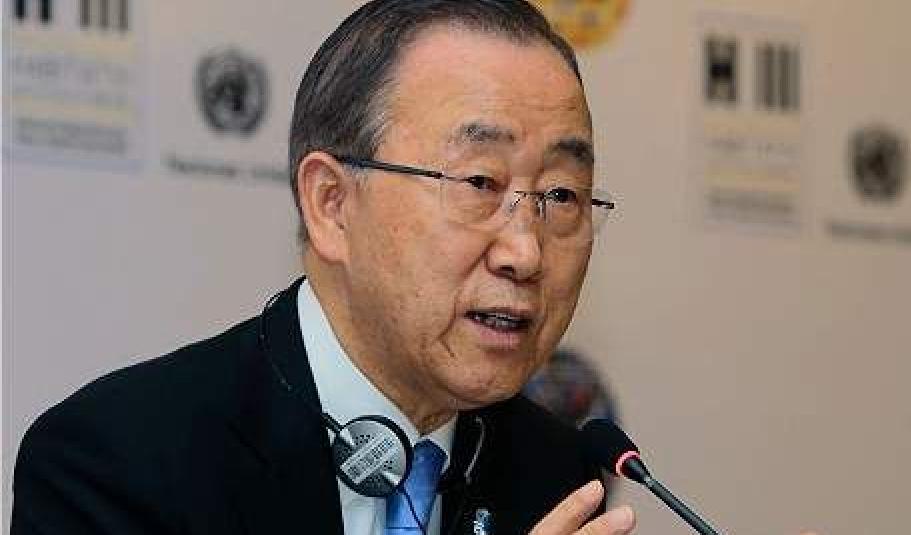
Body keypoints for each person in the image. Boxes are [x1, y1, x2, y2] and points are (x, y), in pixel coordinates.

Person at [10, 1, 634, 534]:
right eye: (479, 182)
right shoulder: (116, 463)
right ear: (331, 204)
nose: (525, 253)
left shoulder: (559, 475)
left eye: (561, 195)